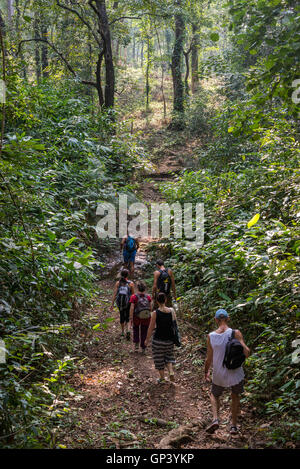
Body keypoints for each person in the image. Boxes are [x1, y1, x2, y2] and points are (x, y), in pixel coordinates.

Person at [204, 309, 250, 435]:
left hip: (219, 374)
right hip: (235, 373)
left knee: (214, 395)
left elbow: (209, 358)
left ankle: (215, 419)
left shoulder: (211, 336)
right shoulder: (236, 333)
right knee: (235, 396)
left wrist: (206, 371)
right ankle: (234, 426)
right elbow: (246, 352)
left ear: (216, 320)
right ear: (228, 318)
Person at [145, 292, 176, 383]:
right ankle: (171, 372)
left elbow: (151, 327)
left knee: (159, 358)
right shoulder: (172, 311)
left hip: (158, 339)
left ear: (157, 301)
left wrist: (147, 339)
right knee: (168, 356)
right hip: (169, 339)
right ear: (165, 300)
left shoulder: (155, 313)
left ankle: (162, 378)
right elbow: (175, 325)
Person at [110, 269, 134, 340]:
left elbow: (115, 294)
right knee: (128, 316)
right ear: (128, 274)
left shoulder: (118, 283)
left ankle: (123, 332)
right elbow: (133, 295)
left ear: (121, 274)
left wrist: (112, 304)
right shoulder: (131, 283)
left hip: (120, 303)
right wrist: (134, 304)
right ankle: (128, 330)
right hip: (128, 302)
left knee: (121, 315)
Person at [129, 281, 152, 354]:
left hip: (137, 316)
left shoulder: (134, 297)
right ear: (144, 289)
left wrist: (131, 317)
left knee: (136, 330)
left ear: (137, 288)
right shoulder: (148, 297)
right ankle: (143, 348)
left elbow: (132, 307)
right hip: (146, 316)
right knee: (144, 331)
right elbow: (150, 307)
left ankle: (136, 346)